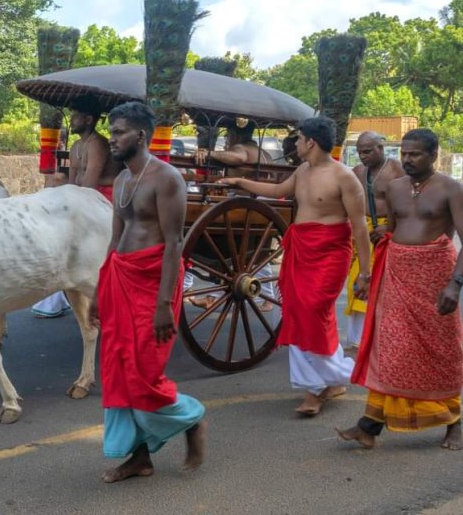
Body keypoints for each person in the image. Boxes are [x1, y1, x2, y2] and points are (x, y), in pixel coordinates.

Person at [219, 116, 371, 416]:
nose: (295, 144)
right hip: (300, 249)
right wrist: (239, 182)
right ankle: (325, 382)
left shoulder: (344, 177)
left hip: (330, 253)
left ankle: (318, 387)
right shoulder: (302, 170)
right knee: (297, 311)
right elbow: (277, 191)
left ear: (311, 142)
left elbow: (360, 229)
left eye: (298, 139)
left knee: (314, 311)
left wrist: (365, 274)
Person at [90, 101, 206, 483]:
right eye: (111, 131)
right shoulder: (122, 180)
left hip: (152, 283)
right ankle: (139, 458)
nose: (112, 138)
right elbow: (115, 237)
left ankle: (190, 418)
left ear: (140, 135)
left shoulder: (166, 178)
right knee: (119, 372)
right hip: (120, 278)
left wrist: (163, 306)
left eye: (119, 131)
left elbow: (174, 244)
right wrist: (97, 289)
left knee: (144, 371)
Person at [337, 128, 463, 451]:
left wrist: (455, 284)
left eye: (415, 154)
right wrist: (366, 275)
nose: (407, 159)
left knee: (440, 351)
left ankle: (454, 423)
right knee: (391, 349)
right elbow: (389, 234)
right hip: (396, 274)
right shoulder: (394, 189)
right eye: (404, 153)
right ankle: (370, 425)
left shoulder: (451, 189)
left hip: (436, 276)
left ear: (433, 155)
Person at [189, 118, 277, 312]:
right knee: (256, 255)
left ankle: (215, 295)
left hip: (245, 208)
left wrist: (209, 153)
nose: (228, 140)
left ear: (235, 134)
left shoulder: (242, 148)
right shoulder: (265, 153)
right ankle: (265, 297)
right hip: (261, 207)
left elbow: (239, 158)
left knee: (237, 252)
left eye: (228, 136)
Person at [343, 132, 404, 352]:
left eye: (367, 151)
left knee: (381, 284)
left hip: (387, 231)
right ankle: (356, 338)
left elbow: (407, 201)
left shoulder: (397, 170)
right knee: (356, 282)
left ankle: (380, 336)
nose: (362, 156)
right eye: (360, 151)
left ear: (381, 147)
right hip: (361, 232)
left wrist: (390, 227)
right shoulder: (357, 172)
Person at [31, 128, 72, 318]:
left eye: (60, 142)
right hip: (48, 209)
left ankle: (53, 302)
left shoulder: (67, 161)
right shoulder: (50, 160)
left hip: (61, 211)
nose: (58, 145)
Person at [67, 94, 123, 202]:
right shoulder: (75, 146)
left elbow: (89, 186)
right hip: (83, 193)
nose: (71, 120)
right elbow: (71, 184)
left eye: (75, 116)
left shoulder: (96, 144)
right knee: (55, 179)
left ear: (88, 120)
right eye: (71, 116)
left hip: (103, 197)